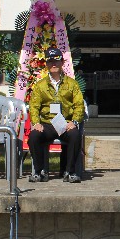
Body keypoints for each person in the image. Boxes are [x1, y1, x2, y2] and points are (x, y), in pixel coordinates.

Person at [28, 47, 85, 183]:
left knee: (75, 135)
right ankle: (40, 171)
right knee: (34, 136)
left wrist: (74, 121)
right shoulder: (40, 85)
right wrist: (36, 123)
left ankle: (69, 172)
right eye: (50, 61)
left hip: (65, 124)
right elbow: (34, 106)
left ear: (62, 62)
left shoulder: (72, 84)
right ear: (46, 64)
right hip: (47, 124)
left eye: (57, 61)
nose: (53, 64)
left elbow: (79, 105)